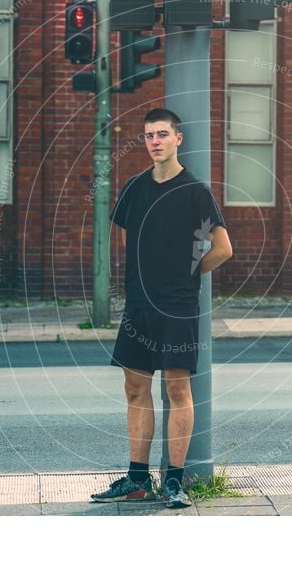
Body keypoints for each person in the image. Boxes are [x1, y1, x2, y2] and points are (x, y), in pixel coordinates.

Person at [90, 108, 232, 508]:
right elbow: (125, 239)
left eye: (162, 134)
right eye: (149, 135)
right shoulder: (135, 187)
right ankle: (137, 480)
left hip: (176, 306)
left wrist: (186, 274)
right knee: (135, 387)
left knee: (176, 388)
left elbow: (222, 248)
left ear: (177, 139)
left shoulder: (194, 191)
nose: (155, 141)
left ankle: (173, 481)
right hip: (139, 305)